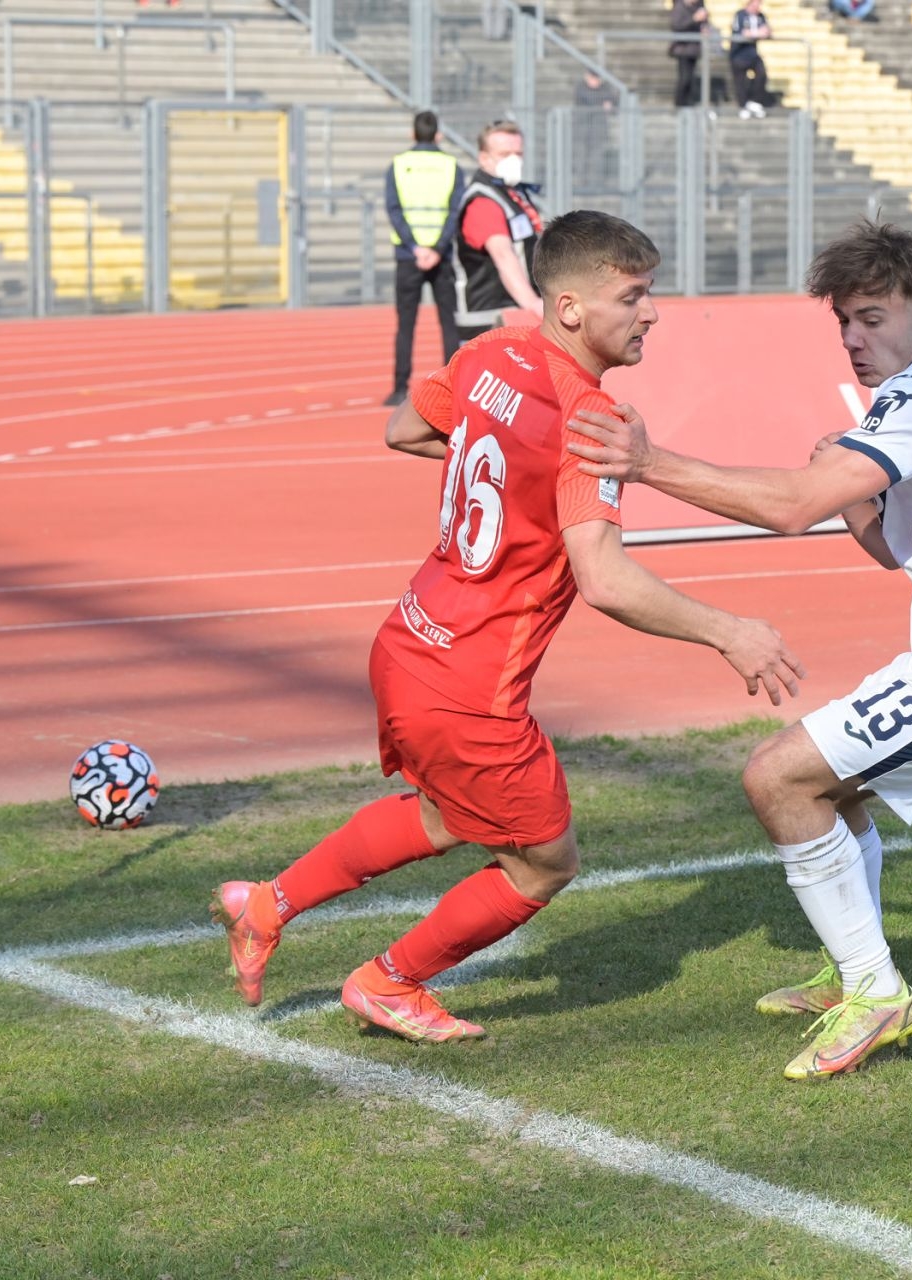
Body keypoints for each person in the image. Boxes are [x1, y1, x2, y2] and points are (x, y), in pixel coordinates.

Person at [212, 211, 805, 1041]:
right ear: (570, 308)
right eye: (632, 296)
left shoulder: (490, 351)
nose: (652, 313)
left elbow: (406, 429)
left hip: (408, 642)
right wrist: (729, 631)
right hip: (471, 689)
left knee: (449, 816)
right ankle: (389, 983)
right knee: (543, 862)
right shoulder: (589, 416)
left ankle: (268, 903)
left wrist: (505, 461)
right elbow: (605, 580)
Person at [566, 222, 912, 1080]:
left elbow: (791, 507)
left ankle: (878, 994)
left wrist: (649, 463)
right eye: (844, 320)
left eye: (873, 317)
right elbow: (892, 548)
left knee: (778, 777)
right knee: (830, 783)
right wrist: (855, 505)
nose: (853, 339)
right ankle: (856, 971)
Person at [384, 111, 466, 407]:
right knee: (449, 323)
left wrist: (415, 247)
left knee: (406, 325)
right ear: (438, 135)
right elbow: (455, 212)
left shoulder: (398, 165)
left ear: (412, 133)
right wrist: (436, 248)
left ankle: (398, 388)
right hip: (441, 256)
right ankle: (455, 386)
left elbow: (394, 210)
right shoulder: (451, 166)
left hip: (409, 257)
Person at [450, 121, 544, 344]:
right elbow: (503, 255)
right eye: (505, 154)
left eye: (518, 153)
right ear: (484, 158)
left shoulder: (512, 194)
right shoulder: (483, 202)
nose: (514, 160)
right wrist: (533, 303)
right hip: (490, 321)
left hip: (513, 315)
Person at [730, 0, 773, 118]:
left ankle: (754, 101)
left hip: (752, 54)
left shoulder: (761, 16)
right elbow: (742, 33)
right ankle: (743, 106)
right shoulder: (740, 15)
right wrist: (757, 33)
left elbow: (767, 30)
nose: (758, 7)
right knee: (740, 82)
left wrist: (759, 33)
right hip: (738, 54)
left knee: (762, 74)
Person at [671, 0, 711, 108]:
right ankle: (680, 104)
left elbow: (704, 23)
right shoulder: (680, 7)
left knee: (690, 79)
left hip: (694, 48)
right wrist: (694, 19)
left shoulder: (699, 6)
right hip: (683, 49)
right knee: (684, 78)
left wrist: (705, 27)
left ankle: (687, 104)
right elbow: (677, 26)